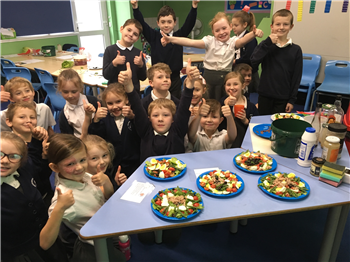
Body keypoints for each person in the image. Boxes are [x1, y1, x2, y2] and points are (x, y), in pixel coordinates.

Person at [47, 133, 126, 262]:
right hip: (94, 247)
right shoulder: (63, 197)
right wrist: (59, 209)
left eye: (82, 160)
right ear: (55, 167)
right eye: (70, 164)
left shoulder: (86, 176)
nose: (79, 167)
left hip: (106, 232)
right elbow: (45, 243)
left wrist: (106, 181)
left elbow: (107, 197)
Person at [161, 11, 263, 101]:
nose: (221, 32)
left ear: (230, 27)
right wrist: (171, 39)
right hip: (209, 78)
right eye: (217, 30)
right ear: (213, 32)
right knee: (208, 103)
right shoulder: (210, 41)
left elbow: (243, 40)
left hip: (225, 80)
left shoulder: (233, 42)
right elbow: (190, 42)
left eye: (224, 28)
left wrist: (253, 34)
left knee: (223, 104)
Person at [0, 131, 71, 262]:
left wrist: (37, 141)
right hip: (17, 254)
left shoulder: (24, 171)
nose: (4, 161)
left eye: (14, 156)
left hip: (48, 240)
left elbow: (36, 162)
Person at [119, 59, 200, 162]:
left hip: (176, 174)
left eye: (166, 115)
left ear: (173, 118)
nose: (160, 119)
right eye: (155, 115)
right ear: (148, 117)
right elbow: (137, 106)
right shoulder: (146, 131)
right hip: (148, 175)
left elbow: (184, 106)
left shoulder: (177, 130)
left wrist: (191, 81)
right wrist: (128, 84)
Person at [131, 0, 200, 99]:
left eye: (169, 22)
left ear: (174, 22)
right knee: (159, 105)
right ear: (158, 23)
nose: (166, 25)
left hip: (175, 79)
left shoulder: (178, 37)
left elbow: (189, 24)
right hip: (158, 79)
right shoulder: (153, 36)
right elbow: (142, 23)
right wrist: (135, 8)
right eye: (163, 22)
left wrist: (194, 6)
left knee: (174, 107)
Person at [251, 8, 302, 115]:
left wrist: (291, 100)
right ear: (272, 26)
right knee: (262, 124)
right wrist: (267, 42)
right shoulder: (266, 45)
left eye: (285, 24)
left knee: (278, 125)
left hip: (283, 97)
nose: (281, 27)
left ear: (291, 26)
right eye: (278, 24)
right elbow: (253, 61)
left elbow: (296, 77)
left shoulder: (296, 50)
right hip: (265, 94)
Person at [88, 83, 140, 179]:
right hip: (112, 167)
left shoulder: (134, 114)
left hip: (134, 165)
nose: (115, 106)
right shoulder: (104, 119)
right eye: (110, 103)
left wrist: (133, 118)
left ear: (126, 100)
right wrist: (96, 121)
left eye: (118, 101)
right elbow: (95, 139)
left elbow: (142, 133)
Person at [103, 19, 147, 94]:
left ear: (137, 39)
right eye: (129, 30)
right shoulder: (110, 50)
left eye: (135, 34)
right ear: (121, 29)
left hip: (134, 95)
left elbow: (143, 78)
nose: (131, 34)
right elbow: (106, 75)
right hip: (115, 95)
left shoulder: (138, 53)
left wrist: (141, 65)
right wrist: (114, 63)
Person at [220, 71, 259, 148]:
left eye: (235, 84)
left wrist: (245, 121)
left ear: (243, 86)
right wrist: (226, 105)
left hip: (246, 143)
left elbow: (257, 127)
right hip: (227, 144)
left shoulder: (250, 106)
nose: (231, 87)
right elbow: (217, 125)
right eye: (228, 85)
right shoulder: (221, 103)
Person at [57, 69, 98, 137]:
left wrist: (97, 117)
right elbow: (69, 140)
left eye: (74, 91)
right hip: (79, 144)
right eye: (65, 92)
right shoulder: (64, 114)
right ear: (60, 90)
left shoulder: (93, 101)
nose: (70, 96)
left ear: (80, 88)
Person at [231, 6, 260, 94]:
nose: (233, 28)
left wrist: (235, 61)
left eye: (236, 25)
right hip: (238, 70)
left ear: (244, 25)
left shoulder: (250, 38)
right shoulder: (235, 38)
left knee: (247, 94)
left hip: (248, 72)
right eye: (232, 25)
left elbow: (249, 57)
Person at [184, 75, 207, 152]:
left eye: (197, 90)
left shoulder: (207, 105)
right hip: (185, 145)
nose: (193, 93)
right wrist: (185, 113)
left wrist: (202, 115)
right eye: (191, 90)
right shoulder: (181, 106)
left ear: (203, 90)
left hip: (202, 145)